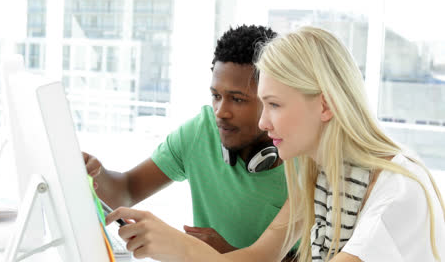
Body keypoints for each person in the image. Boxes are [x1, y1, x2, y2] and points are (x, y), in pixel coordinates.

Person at [105, 26, 445, 262]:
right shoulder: (319, 173)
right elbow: (257, 258)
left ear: (325, 105)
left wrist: (180, 249)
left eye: (275, 105)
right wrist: (169, 246)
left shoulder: (398, 191)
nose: (264, 123)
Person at [84, 25, 299, 259]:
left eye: (237, 99)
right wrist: (94, 174)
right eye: (216, 96)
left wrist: (218, 255)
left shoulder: (305, 157)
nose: (221, 112)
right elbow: (125, 190)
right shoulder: (202, 131)